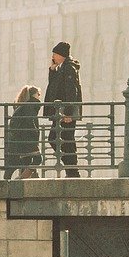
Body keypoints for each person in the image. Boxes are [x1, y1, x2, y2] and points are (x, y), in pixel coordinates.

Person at [44, 42, 83, 179]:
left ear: (61, 55)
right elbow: (54, 86)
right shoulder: (63, 68)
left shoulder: (69, 69)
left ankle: (72, 171)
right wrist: (52, 70)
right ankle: (72, 171)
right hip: (61, 111)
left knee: (60, 139)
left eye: (55, 53)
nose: (53, 56)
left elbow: (71, 91)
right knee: (64, 140)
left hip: (65, 112)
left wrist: (68, 112)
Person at [4, 85, 43, 179]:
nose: (39, 96)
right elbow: (30, 123)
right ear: (33, 95)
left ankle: (16, 180)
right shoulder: (30, 107)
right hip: (27, 140)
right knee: (37, 159)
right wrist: (34, 134)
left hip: (20, 140)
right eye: (38, 94)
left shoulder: (24, 106)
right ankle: (21, 179)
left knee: (21, 162)